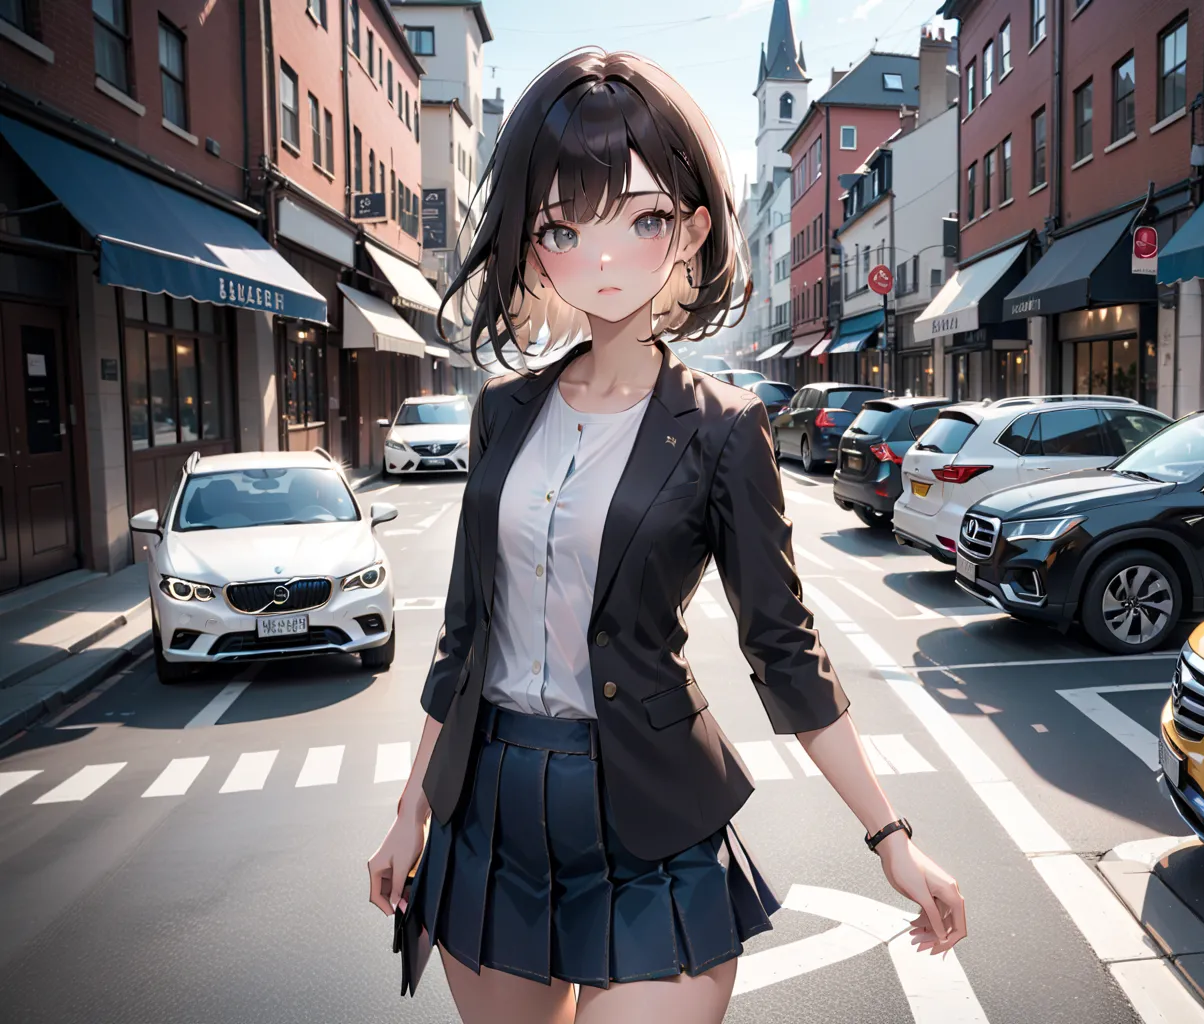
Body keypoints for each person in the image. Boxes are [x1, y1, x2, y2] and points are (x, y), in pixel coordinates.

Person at [366, 49, 966, 1024]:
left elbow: (785, 646)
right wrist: (412, 814)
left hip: (648, 817)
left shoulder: (725, 427)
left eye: (639, 218)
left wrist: (890, 834)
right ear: (532, 242)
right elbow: (463, 639)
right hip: (492, 810)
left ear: (687, 230)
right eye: (566, 224)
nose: (602, 257)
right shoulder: (505, 415)